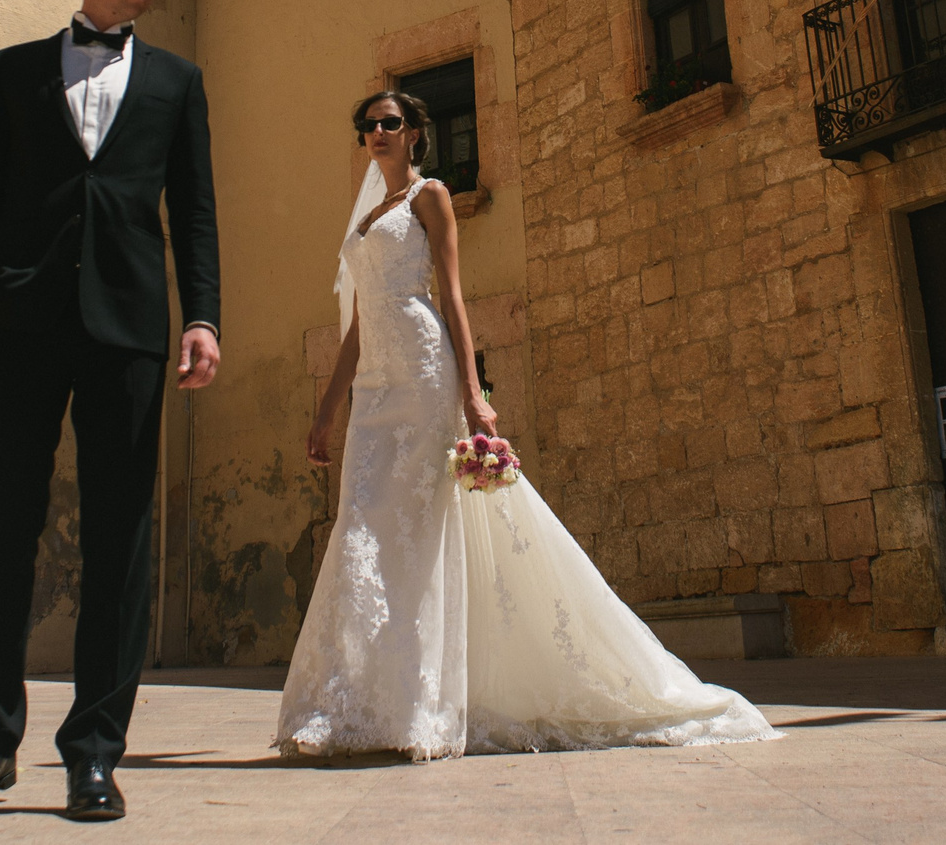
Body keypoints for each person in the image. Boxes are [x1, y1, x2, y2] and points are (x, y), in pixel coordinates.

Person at [275, 92, 777, 761]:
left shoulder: (431, 196)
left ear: (416, 132)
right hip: (373, 390)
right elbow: (360, 322)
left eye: (390, 123)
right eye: (367, 125)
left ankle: (418, 707)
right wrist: (326, 411)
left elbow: (451, 296)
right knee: (361, 525)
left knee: (420, 531)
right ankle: (350, 704)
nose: (377, 132)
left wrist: (473, 393)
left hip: (423, 376)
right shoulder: (366, 216)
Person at [0, 0, 222, 822]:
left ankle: (95, 751)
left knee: (120, 541)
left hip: (128, 328)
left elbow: (195, 210)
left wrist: (202, 315)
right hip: (17, 322)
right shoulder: (11, 70)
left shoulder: (178, 81)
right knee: (5, 529)